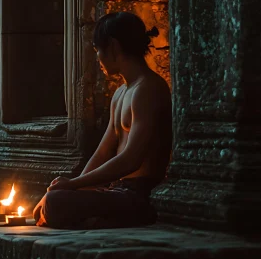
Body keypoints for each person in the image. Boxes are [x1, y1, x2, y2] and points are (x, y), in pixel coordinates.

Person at [33, 12, 172, 229]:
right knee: (54, 198)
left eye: (98, 50)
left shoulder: (149, 89)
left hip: (138, 194)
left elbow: (131, 160)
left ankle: (106, 219)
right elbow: (104, 151)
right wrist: (71, 188)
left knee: (54, 202)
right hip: (114, 191)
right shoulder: (120, 94)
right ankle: (98, 219)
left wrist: (72, 185)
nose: (97, 59)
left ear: (114, 47)